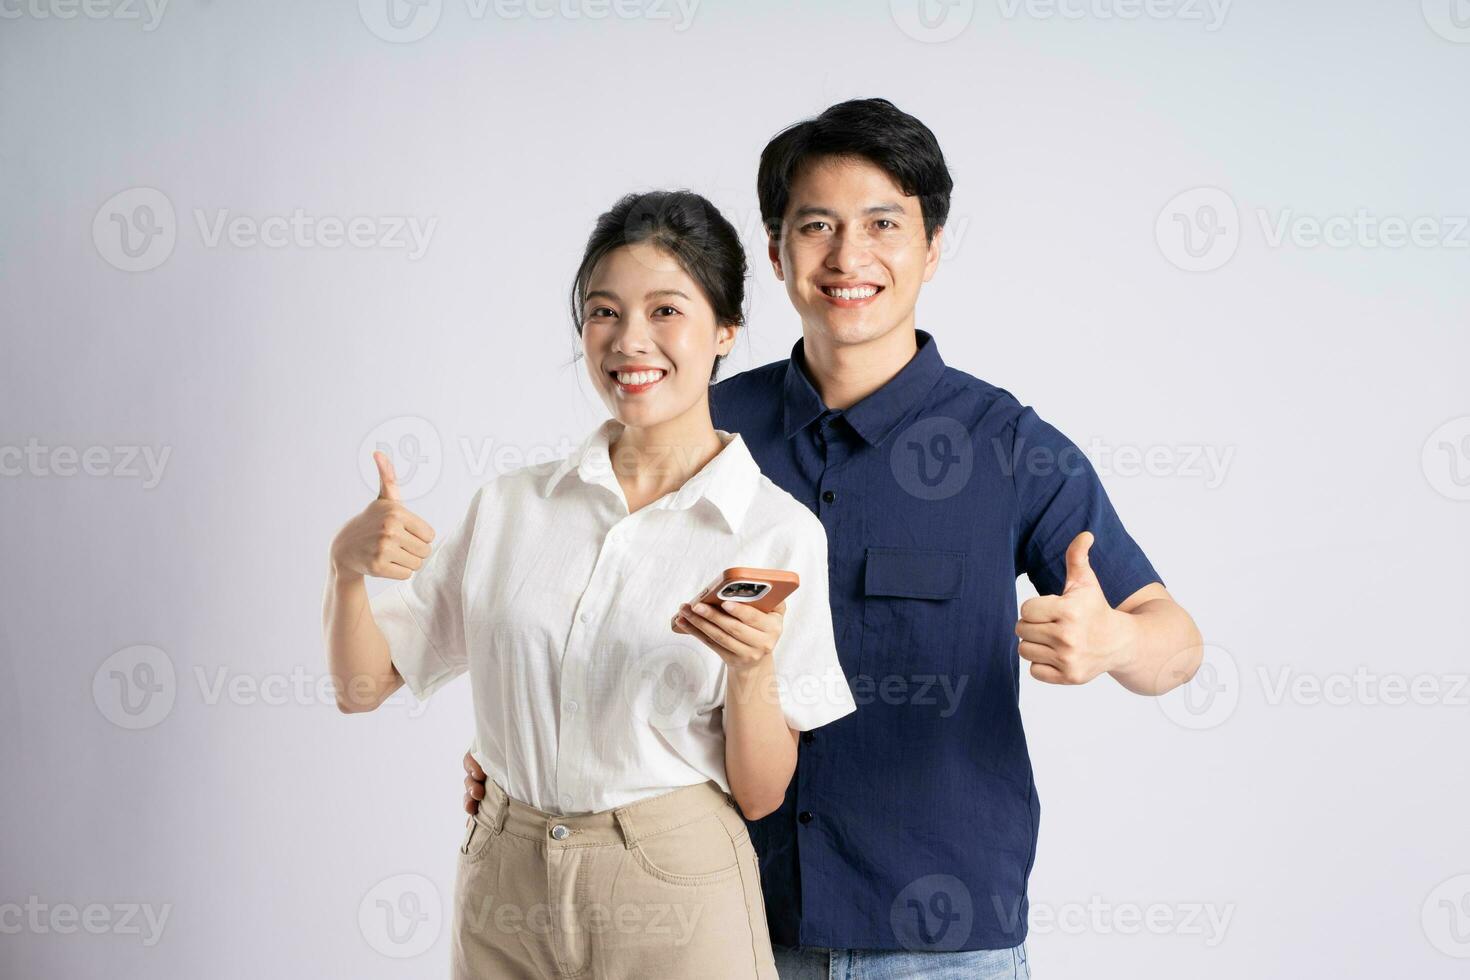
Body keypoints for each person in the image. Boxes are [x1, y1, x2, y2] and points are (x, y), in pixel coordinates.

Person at [463, 99, 1205, 979]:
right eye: (816, 226)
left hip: (940, 941)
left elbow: (1176, 641)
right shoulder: (705, 429)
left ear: (932, 248)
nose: (849, 257)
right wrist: (530, 763)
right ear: (776, 253)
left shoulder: (1006, 445)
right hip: (717, 922)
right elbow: (584, 598)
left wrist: (1115, 638)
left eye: (883, 224)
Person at [324, 190, 857, 979]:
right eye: (604, 312)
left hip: (674, 884)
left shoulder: (774, 532)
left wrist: (750, 671)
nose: (630, 340)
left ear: (725, 331)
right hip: (505, 876)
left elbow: (761, 794)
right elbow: (363, 686)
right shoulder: (509, 506)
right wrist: (345, 568)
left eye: (665, 310)